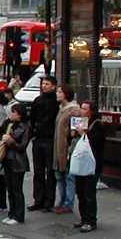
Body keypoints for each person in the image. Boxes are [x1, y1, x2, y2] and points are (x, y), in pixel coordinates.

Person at [27, 74, 59, 213]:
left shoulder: (56, 102)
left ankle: (49, 201)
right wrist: (32, 134)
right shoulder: (38, 100)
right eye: (43, 84)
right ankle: (38, 200)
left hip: (51, 139)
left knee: (50, 172)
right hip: (38, 138)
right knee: (38, 171)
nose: (44, 86)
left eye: (47, 84)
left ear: (53, 86)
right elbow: (32, 119)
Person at [72, 100, 105, 233]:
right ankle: (83, 218)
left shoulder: (97, 124)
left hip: (92, 163)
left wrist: (84, 134)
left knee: (89, 193)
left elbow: (97, 143)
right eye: (81, 108)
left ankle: (91, 221)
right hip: (80, 162)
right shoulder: (81, 121)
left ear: (91, 110)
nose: (82, 110)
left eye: (85, 109)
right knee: (80, 191)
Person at [0, 103, 31, 225]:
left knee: (17, 189)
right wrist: (7, 120)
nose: (11, 114)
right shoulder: (10, 124)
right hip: (7, 160)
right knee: (10, 189)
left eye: (14, 112)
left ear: (20, 115)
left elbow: (22, 146)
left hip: (18, 162)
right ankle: (11, 213)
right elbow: (0, 131)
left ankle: (19, 216)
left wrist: (11, 142)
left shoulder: (25, 127)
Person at [53, 83, 81, 214]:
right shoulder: (61, 109)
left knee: (69, 177)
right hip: (58, 148)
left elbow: (76, 132)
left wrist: (71, 149)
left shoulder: (74, 110)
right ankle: (62, 200)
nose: (57, 94)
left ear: (66, 94)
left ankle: (68, 203)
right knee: (60, 176)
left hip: (68, 149)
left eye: (60, 92)